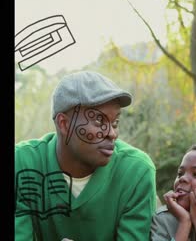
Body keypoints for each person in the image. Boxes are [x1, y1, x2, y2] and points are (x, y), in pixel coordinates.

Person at [14, 71, 157, 240]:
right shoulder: (22, 163)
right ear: (64, 124)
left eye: (115, 122)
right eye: (99, 121)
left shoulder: (136, 172)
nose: (112, 133)